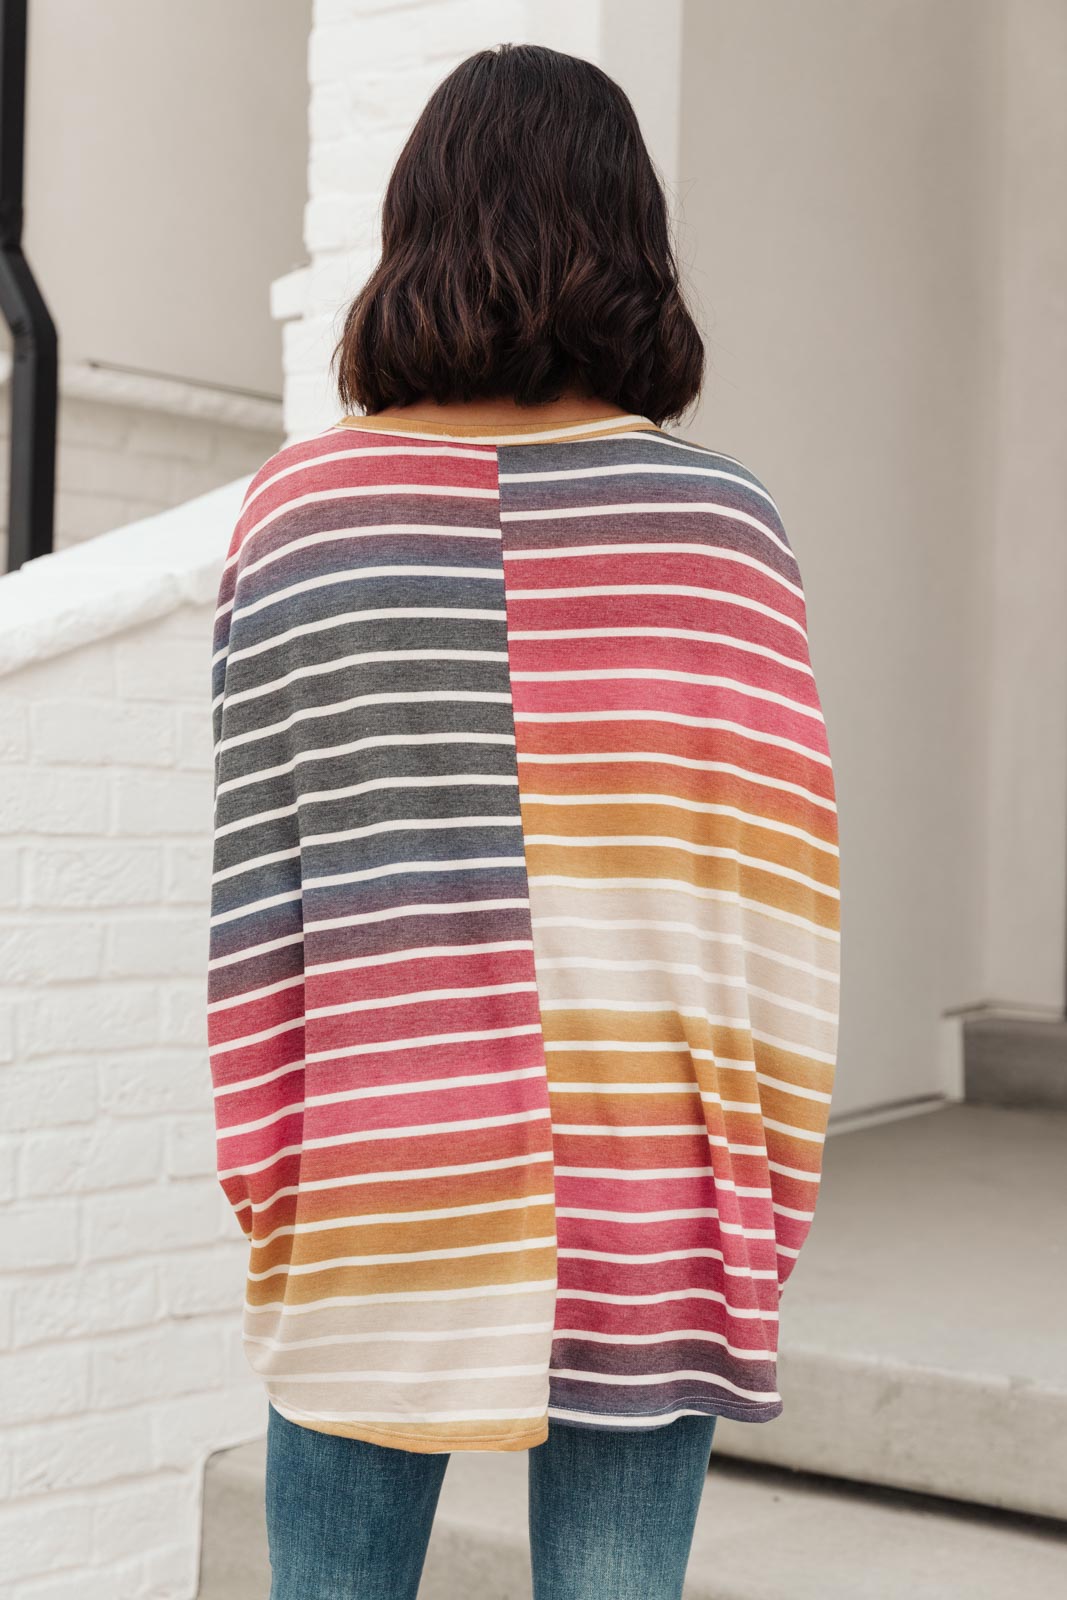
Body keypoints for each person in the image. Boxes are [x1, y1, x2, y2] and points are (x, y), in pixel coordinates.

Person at [207, 41, 840, 1600]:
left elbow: (259, 911)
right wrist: (763, 1200)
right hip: (652, 1183)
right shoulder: (723, 528)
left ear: (416, 227)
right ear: (634, 239)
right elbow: (781, 912)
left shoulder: (298, 517)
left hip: (375, 1176)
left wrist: (272, 1187)